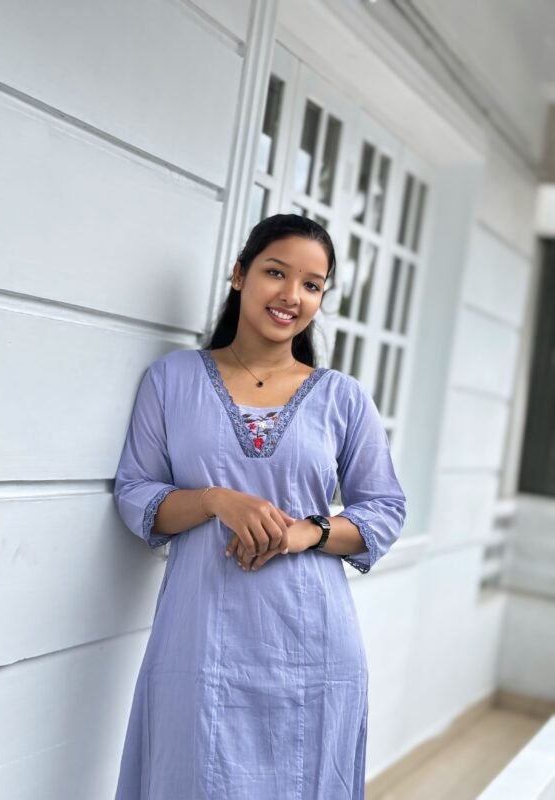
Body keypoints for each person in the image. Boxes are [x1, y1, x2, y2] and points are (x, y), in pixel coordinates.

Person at [113, 213, 406, 799]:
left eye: (312, 284)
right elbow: (136, 494)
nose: (291, 296)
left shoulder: (342, 399)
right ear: (240, 273)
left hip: (312, 645)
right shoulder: (172, 380)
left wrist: (305, 533)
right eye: (276, 272)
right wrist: (217, 500)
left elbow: (384, 510)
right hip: (200, 641)